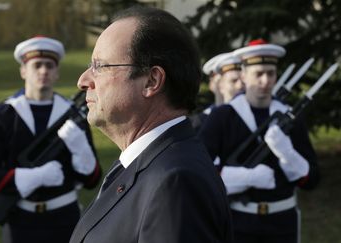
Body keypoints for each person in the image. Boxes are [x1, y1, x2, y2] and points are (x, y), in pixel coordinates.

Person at [69, 6, 232, 243]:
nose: (83, 80)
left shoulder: (175, 181)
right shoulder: (147, 162)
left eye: (100, 66)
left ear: (152, 80)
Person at [0, 36, 101, 243]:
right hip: (20, 222)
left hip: (65, 219)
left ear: (57, 72)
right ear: (23, 71)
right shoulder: (5, 113)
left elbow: (92, 180)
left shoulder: (72, 115)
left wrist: (81, 151)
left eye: (50, 65)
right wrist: (33, 177)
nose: (43, 71)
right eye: (37, 65)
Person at [198, 39, 320, 243]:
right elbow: (199, 171)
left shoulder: (289, 116)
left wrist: (287, 154)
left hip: (283, 223)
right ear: (244, 76)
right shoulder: (223, 116)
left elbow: (312, 179)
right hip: (238, 223)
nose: (265, 81)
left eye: (270, 74)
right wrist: (246, 177)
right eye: (258, 74)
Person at [189, 52, 244, 129]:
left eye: (243, 81)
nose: (240, 86)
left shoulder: (250, 117)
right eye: (233, 81)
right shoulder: (199, 122)